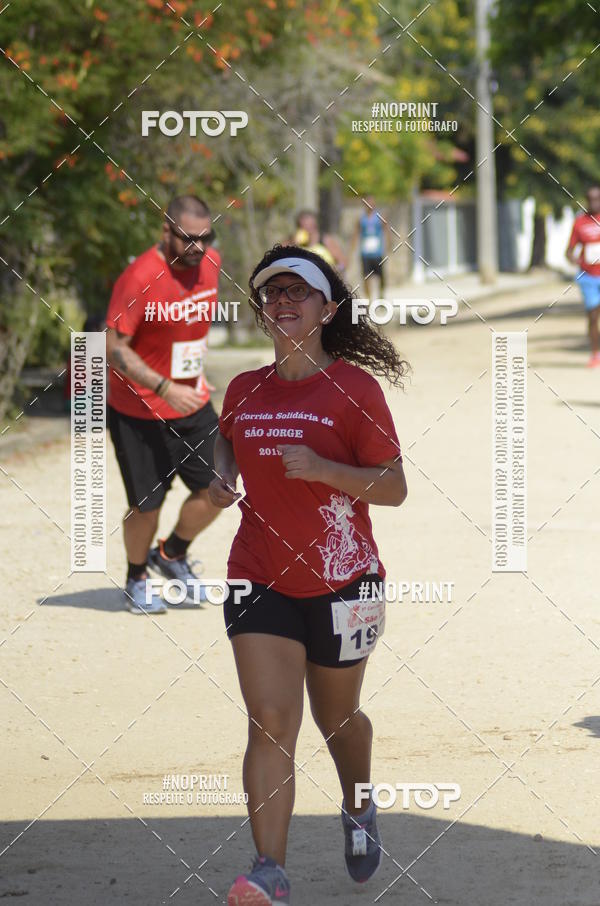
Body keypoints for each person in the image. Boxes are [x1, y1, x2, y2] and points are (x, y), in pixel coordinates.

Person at [208, 245, 408, 905]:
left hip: (344, 582)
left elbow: (393, 487)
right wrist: (221, 472)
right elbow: (227, 433)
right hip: (258, 576)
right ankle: (269, 868)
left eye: (300, 293)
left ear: (329, 309)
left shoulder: (355, 390)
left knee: (338, 717)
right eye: (273, 294)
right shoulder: (244, 387)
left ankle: (357, 800)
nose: (284, 302)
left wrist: (325, 470)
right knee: (269, 718)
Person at [105, 195, 222, 614]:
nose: (199, 247)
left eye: (205, 237)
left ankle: (171, 554)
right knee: (146, 506)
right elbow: (113, 349)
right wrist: (163, 385)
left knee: (220, 487)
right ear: (166, 231)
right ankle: (136, 577)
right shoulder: (140, 278)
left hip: (194, 402)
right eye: (189, 238)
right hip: (139, 409)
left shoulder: (211, 264)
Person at [566, 185, 600, 367]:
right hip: (588, 277)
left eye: (597, 199)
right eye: (591, 199)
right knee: (593, 316)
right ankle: (595, 354)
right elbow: (569, 251)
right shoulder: (580, 223)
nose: (594, 203)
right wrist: (576, 261)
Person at [351, 195, 390, 302]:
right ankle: (369, 298)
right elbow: (356, 233)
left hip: (377, 252)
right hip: (365, 253)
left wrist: (388, 245)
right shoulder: (361, 219)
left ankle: (381, 294)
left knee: (380, 276)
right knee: (366, 276)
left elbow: (386, 230)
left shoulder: (379, 217)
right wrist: (352, 249)